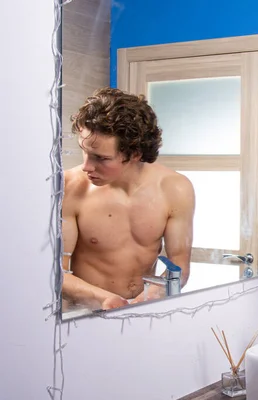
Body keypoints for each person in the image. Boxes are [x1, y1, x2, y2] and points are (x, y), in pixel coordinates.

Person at [62, 87, 195, 311]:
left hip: (143, 311)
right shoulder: (69, 187)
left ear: (135, 154)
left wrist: (150, 296)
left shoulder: (175, 189)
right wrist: (105, 300)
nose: (86, 166)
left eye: (101, 158)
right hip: (83, 315)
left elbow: (179, 265)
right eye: (84, 152)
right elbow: (56, 273)